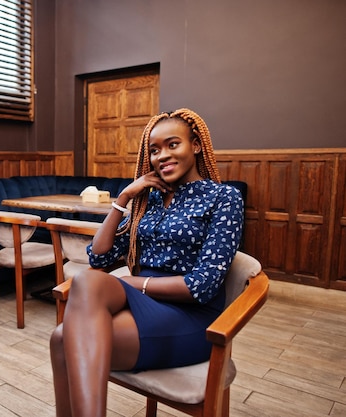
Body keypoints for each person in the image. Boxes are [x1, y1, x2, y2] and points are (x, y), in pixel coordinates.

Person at [49, 108, 244, 417]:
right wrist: (124, 198)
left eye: (172, 144)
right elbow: (98, 256)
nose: (161, 155)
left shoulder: (223, 198)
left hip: (191, 316)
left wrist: (134, 282)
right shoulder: (149, 202)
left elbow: (202, 286)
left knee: (66, 333)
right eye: (154, 150)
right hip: (144, 303)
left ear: (195, 145)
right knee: (72, 312)